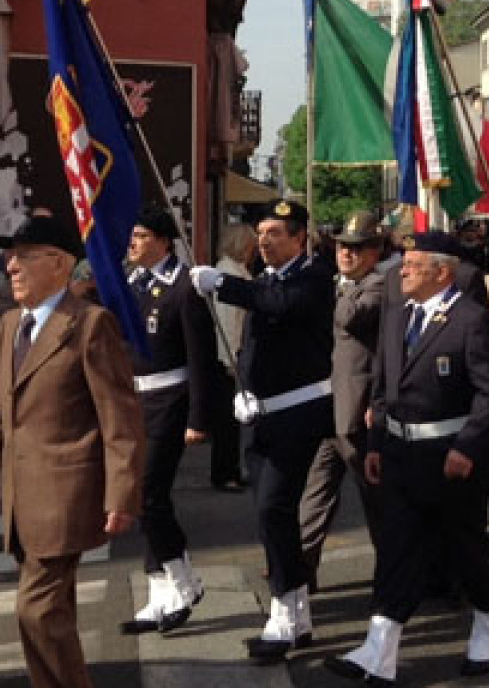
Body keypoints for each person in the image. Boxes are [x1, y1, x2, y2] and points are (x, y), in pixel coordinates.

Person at [0, 214, 144, 688]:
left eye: (24, 256)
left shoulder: (89, 325)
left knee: (37, 610)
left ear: (60, 265)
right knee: (50, 613)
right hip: (21, 494)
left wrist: (121, 494)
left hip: (66, 492)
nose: (11, 267)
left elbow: (119, 417)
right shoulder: (8, 326)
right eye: (9, 257)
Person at [328, 232, 489, 684]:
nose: (402, 270)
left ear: (442, 272)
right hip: (399, 453)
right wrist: (375, 445)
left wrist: (466, 447)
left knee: (465, 547)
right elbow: (383, 384)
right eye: (403, 263)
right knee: (396, 550)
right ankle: (379, 649)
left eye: (412, 263)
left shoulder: (470, 320)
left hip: (450, 457)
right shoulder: (397, 316)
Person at [192, 199, 335, 661]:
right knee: (271, 513)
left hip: (301, 411)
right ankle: (297, 612)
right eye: (262, 232)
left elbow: (280, 305)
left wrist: (224, 284)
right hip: (265, 413)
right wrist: (245, 389)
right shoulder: (268, 280)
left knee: (274, 507)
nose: (266, 240)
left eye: (276, 232)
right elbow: (255, 342)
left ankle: (283, 612)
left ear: (299, 238)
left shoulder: (311, 277)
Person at [118, 208, 213, 634]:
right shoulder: (131, 284)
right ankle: (160, 593)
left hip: (170, 400)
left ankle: (183, 579)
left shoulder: (183, 287)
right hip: (135, 401)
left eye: (140, 235)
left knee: (150, 494)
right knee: (140, 497)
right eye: (131, 235)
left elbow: (200, 358)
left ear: (163, 242)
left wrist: (198, 416)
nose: (133, 243)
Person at [299, 210, 388, 581]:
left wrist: (323, 285)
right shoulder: (338, 284)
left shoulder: (378, 286)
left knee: (377, 501)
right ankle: (300, 570)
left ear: (374, 253)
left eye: (357, 248)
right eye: (341, 246)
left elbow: (352, 317)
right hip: (326, 408)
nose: (347, 254)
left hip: (357, 413)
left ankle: (396, 572)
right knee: (314, 494)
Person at [206, 222, 255, 491]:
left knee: (233, 420)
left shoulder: (236, 271)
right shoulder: (227, 274)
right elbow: (227, 323)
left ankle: (231, 468)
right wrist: (229, 360)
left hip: (233, 354)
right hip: (228, 358)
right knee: (227, 421)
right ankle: (225, 472)